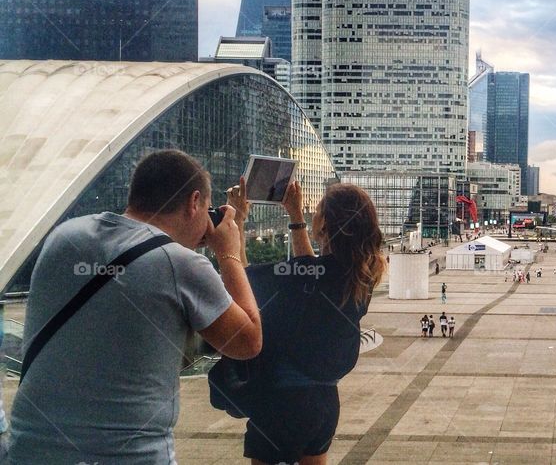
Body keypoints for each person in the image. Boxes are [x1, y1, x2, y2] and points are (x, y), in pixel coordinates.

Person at [9, 150, 263, 463]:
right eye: (208, 210)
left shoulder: (63, 237)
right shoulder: (181, 264)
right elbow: (248, 342)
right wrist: (229, 252)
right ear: (194, 202)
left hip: (30, 451)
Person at [216, 179, 386, 465]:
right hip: (325, 404)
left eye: (317, 210)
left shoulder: (308, 274)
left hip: (283, 402)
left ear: (325, 225)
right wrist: (295, 217)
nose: (313, 214)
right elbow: (310, 271)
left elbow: (242, 280)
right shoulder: (361, 275)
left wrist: (238, 223)